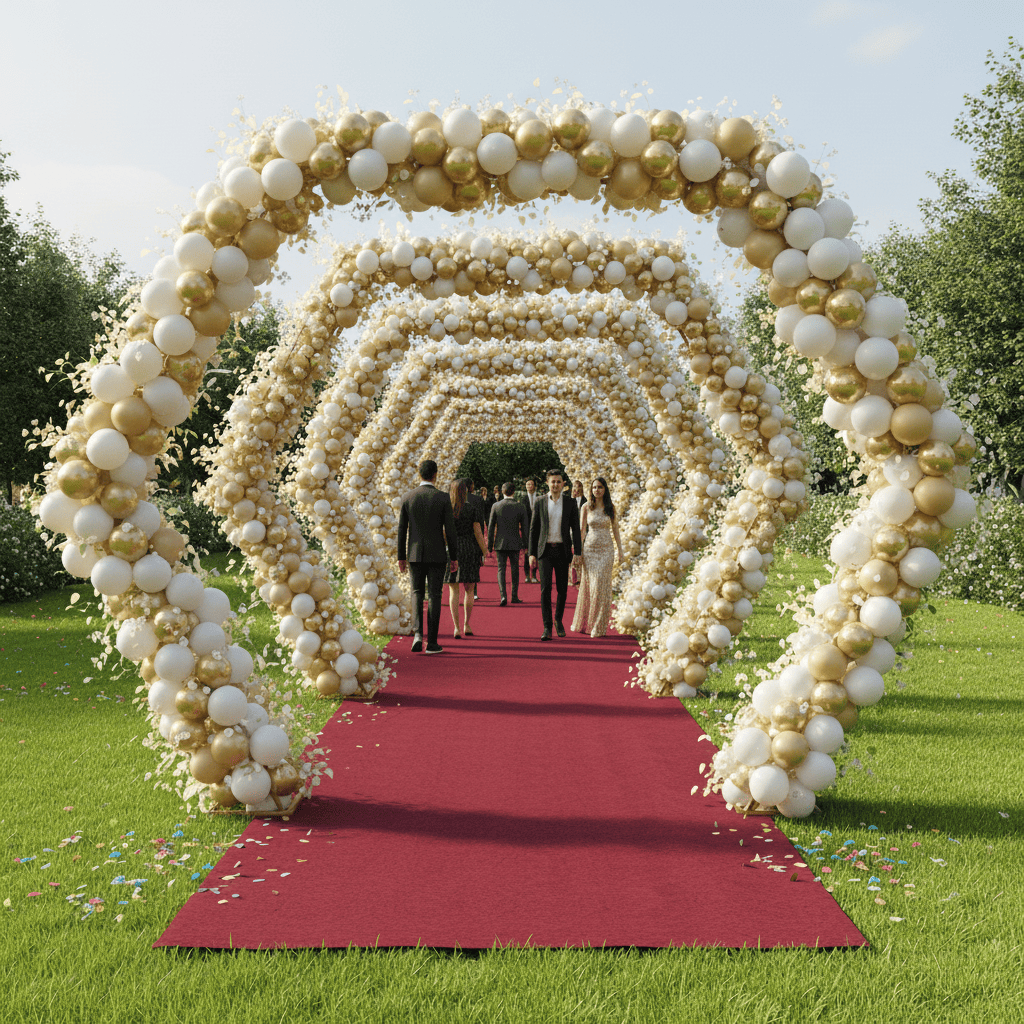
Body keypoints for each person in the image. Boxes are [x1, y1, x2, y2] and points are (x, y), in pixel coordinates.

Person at [397, 459, 458, 654]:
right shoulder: (443, 498)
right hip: (437, 553)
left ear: (419, 474)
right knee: (434, 595)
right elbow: (450, 530)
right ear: (435, 475)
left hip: (414, 553)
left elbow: (402, 530)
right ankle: (431, 642)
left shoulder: (408, 497)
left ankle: (417, 634)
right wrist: (454, 557)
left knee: (416, 592)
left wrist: (401, 556)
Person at [529, 468, 582, 641]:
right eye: (553, 481)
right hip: (544, 551)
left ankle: (558, 620)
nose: (556, 484)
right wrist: (531, 553)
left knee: (562, 589)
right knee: (545, 589)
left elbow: (576, 529)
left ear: (563, 484)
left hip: (562, 550)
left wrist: (578, 552)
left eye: (559, 482)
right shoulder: (540, 502)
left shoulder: (570, 503)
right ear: (547, 483)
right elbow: (534, 529)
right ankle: (547, 627)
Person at [571, 477, 625, 638]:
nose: (597, 490)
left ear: (605, 489)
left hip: (606, 551)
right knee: (590, 586)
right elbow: (581, 531)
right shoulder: (586, 507)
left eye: (600, 487)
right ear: (591, 490)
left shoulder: (610, 507)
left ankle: (598, 626)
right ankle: (585, 623)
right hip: (589, 550)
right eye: (594, 487)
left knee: (601, 586)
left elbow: (616, 530)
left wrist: (620, 551)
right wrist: (578, 552)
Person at [445, 478, 488, 638]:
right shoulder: (472, 508)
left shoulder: (447, 509)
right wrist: (485, 551)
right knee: (469, 589)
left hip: (452, 550)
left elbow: (444, 532)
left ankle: (456, 628)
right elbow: (478, 532)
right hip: (469, 548)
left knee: (453, 590)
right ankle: (466, 624)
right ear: (465, 492)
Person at [487, 481, 529, 606]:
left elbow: (490, 527)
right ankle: (514, 596)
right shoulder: (520, 506)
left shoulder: (496, 506)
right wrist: (526, 544)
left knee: (501, 569)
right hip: (515, 542)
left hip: (500, 542)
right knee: (515, 569)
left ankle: (503, 596)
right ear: (514, 492)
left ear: (502, 491)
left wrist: (490, 544)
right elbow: (525, 528)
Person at [519, 477, 541, 583]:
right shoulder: (523, 499)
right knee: (527, 553)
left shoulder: (540, 498)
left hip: (538, 529)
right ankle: (527, 575)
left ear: (535, 486)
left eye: (531, 484)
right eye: (527, 484)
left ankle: (534, 576)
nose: (529, 486)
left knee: (536, 553)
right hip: (526, 530)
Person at [569, 480, 587, 585]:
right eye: (575, 486)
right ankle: (571, 577)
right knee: (570, 554)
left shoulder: (586, 501)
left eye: (579, 486)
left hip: (582, 531)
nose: (577, 488)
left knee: (580, 553)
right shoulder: (569, 500)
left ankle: (580, 577)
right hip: (570, 531)